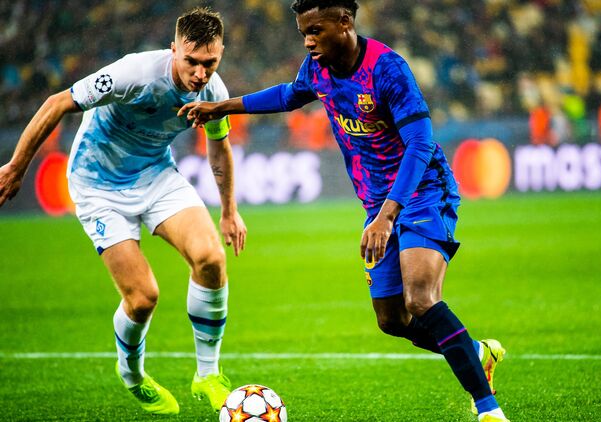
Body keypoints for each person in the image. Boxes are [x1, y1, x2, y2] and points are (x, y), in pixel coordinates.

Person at [179, 1, 509, 421]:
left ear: (345, 22)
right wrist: (223, 106)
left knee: (421, 298)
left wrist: (387, 216)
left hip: (422, 191)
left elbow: (421, 143)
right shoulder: (317, 68)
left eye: (315, 31)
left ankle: (488, 409)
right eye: (304, 33)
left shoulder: (387, 69)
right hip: (376, 204)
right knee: (392, 319)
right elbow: (289, 94)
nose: (308, 41)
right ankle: (475, 352)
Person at [0, 7, 246, 416]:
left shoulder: (213, 92)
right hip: (97, 186)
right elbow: (57, 103)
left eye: (210, 63)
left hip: (155, 175)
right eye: (192, 61)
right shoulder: (134, 73)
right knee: (143, 297)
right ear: (173, 49)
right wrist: (16, 167)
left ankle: (208, 374)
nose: (200, 73)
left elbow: (219, 148)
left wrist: (229, 211)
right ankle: (132, 374)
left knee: (211, 259)